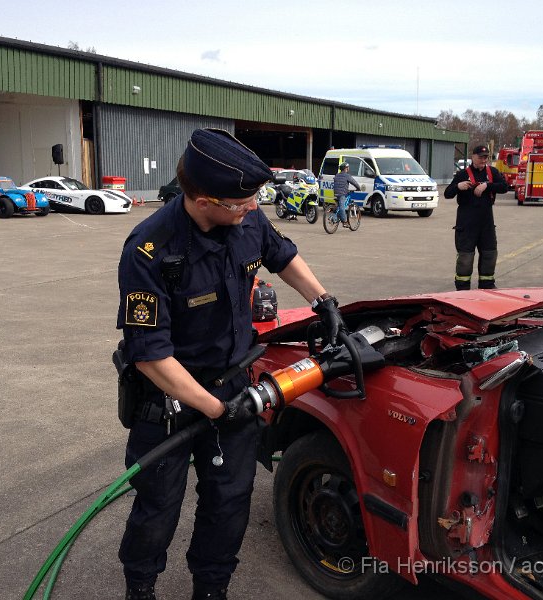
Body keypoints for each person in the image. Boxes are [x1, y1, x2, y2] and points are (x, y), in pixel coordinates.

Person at [115, 128, 345, 600]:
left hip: (234, 386)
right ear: (201, 200)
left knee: (229, 503)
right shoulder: (148, 251)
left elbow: (282, 256)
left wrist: (323, 301)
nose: (251, 209)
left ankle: (211, 589)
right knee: (158, 507)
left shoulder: (247, 217)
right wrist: (215, 409)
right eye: (239, 204)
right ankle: (140, 588)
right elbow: (151, 357)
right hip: (168, 402)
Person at [444, 145, 508, 290]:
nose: (483, 160)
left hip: (486, 225)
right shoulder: (462, 174)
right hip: (466, 225)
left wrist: (487, 186)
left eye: (486, 157)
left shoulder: (492, 172)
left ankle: (487, 286)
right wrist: (458, 186)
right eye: (480, 157)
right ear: (473, 157)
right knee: (465, 259)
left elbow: (504, 187)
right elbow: (448, 194)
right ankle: (462, 289)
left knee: (489, 256)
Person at [333, 162, 360, 227]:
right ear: (346, 168)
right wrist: (358, 188)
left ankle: (336, 216)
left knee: (339, 206)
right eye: (347, 168)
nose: (348, 169)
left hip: (336, 193)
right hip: (342, 193)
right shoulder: (347, 175)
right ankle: (345, 222)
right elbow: (354, 182)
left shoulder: (337, 175)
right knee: (342, 208)